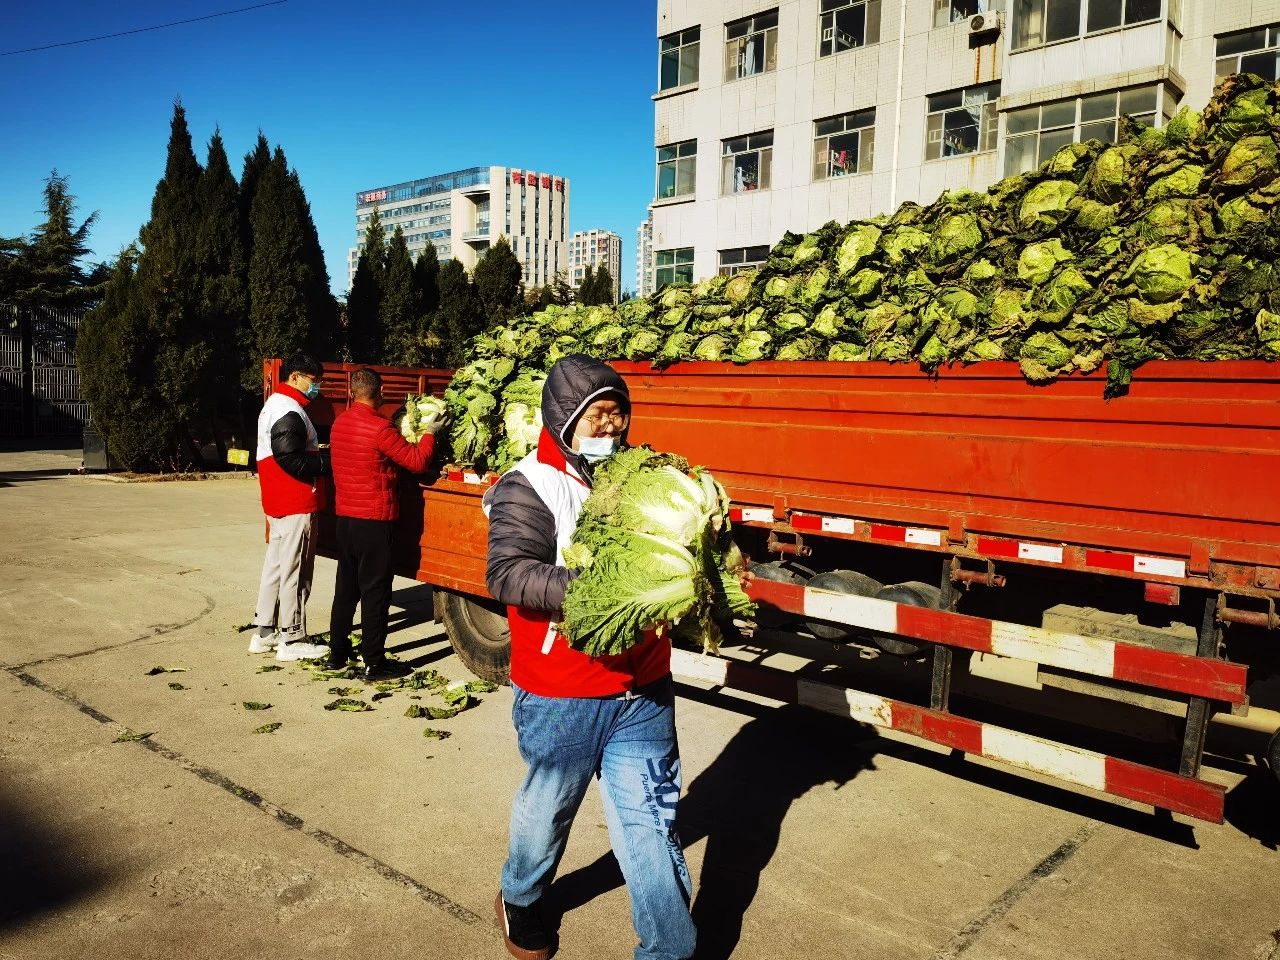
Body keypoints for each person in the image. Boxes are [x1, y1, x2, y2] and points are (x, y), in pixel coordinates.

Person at [484, 355, 696, 960]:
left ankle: (669, 950)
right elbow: (508, 573)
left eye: (617, 413)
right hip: (562, 689)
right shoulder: (529, 485)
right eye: (596, 414)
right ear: (562, 418)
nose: (610, 426)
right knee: (548, 810)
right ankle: (519, 897)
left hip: (643, 686)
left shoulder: (644, 477)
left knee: (652, 824)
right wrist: (601, 590)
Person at [327, 367, 447, 680]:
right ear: (380, 393)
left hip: (346, 520)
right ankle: (374, 663)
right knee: (376, 593)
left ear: (352, 393)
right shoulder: (380, 429)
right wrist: (431, 433)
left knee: (346, 589)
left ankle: (337, 654)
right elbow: (417, 462)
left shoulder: (340, 424)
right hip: (374, 522)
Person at [251, 354, 331, 662]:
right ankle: (293, 637)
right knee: (296, 571)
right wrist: (327, 462)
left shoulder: (275, 405)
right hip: (295, 499)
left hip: (277, 499)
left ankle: (265, 632)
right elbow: (289, 457)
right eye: (314, 381)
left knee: (275, 567)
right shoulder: (288, 408)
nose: (317, 387)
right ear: (296, 376)